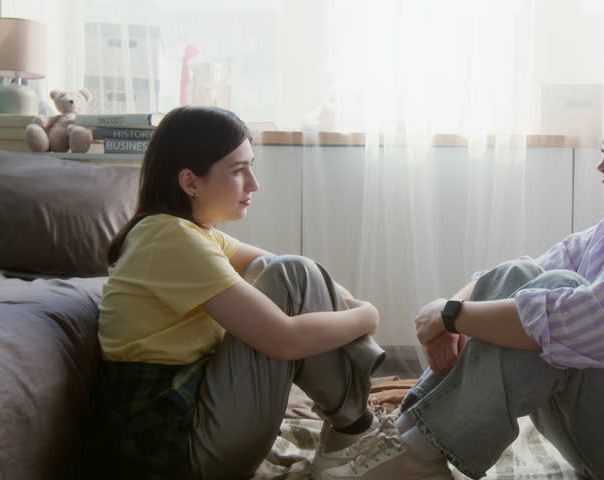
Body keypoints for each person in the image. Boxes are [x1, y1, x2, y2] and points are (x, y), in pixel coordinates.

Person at [318, 96, 604, 480]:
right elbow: (518, 275)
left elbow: (572, 321)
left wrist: (451, 316)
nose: (601, 163)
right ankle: (407, 438)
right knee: (521, 276)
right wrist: (450, 309)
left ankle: (420, 453)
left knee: (552, 299)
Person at [91, 106, 386, 479]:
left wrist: (346, 303)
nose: (254, 183)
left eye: (251, 167)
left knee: (289, 270)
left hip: (193, 421)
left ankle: (355, 424)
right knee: (290, 274)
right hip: (177, 450)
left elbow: (285, 268)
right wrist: (368, 315)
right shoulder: (167, 238)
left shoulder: (189, 233)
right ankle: (356, 426)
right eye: (238, 170)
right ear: (190, 182)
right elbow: (284, 340)